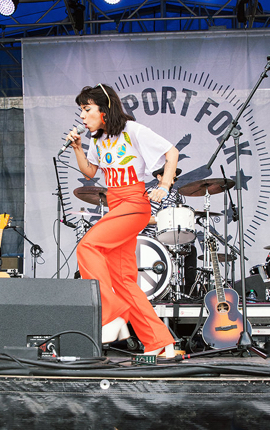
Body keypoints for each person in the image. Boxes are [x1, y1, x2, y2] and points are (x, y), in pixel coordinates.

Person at [67, 83, 179, 358]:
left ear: (104, 109)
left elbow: (171, 152)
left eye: (87, 109)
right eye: (81, 110)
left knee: (87, 248)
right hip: (116, 202)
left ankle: (112, 314)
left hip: (133, 201)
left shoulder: (133, 130)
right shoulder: (98, 139)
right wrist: (78, 148)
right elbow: (91, 172)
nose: (82, 116)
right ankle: (161, 343)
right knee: (124, 280)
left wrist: (164, 185)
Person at [142, 167, 199, 298]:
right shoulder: (149, 193)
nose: (172, 181)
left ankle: (190, 293)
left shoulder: (175, 194)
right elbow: (142, 218)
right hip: (152, 238)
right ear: (159, 177)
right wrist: (162, 219)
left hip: (171, 237)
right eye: (170, 177)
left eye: (174, 178)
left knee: (191, 250)